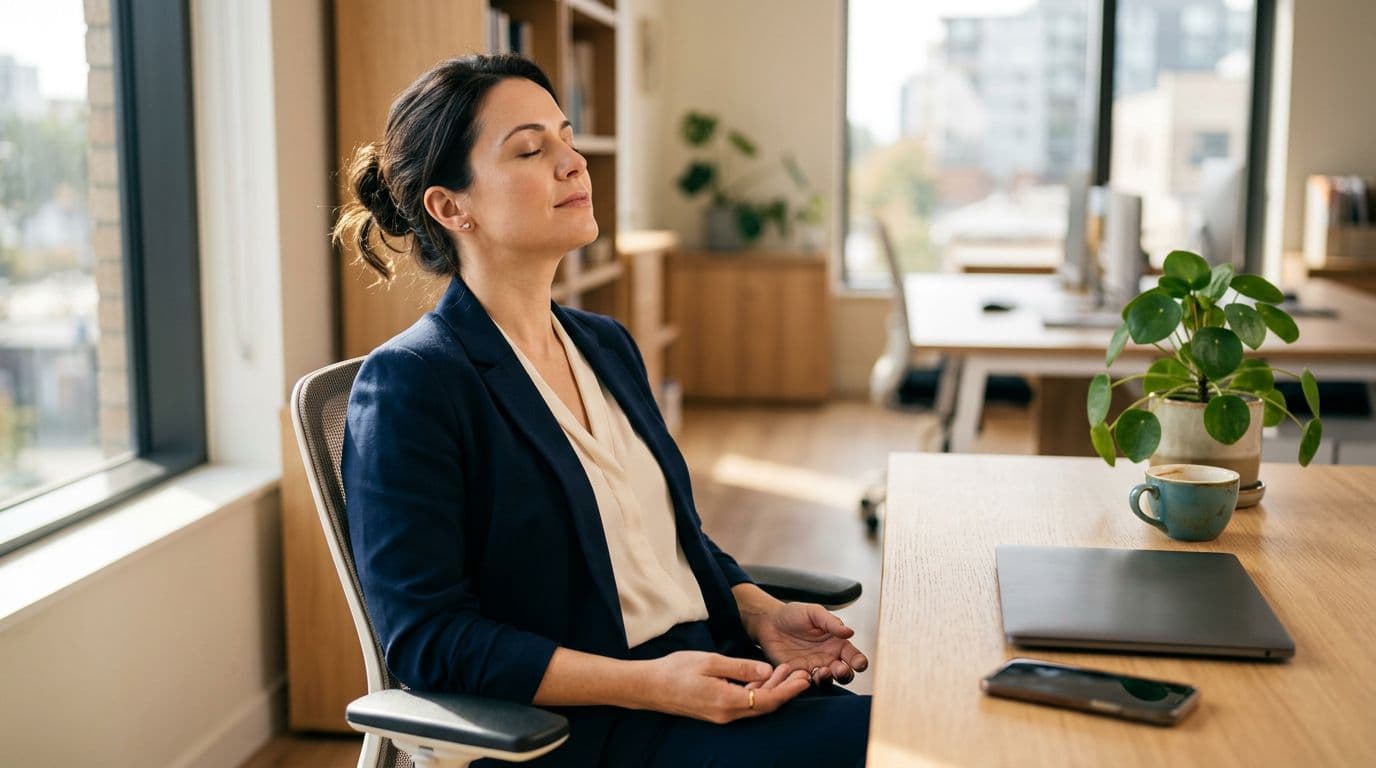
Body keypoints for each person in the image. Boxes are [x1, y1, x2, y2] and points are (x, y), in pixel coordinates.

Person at [336, 53, 870, 767]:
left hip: (714, 676)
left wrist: (759, 610)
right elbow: (429, 640)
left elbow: (665, 543)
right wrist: (650, 686)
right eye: (530, 149)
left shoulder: (605, 344)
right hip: (587, 729)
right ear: (450, 206)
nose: (573, 163)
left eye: (566, 137)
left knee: (951, 729)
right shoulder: (413, 384)